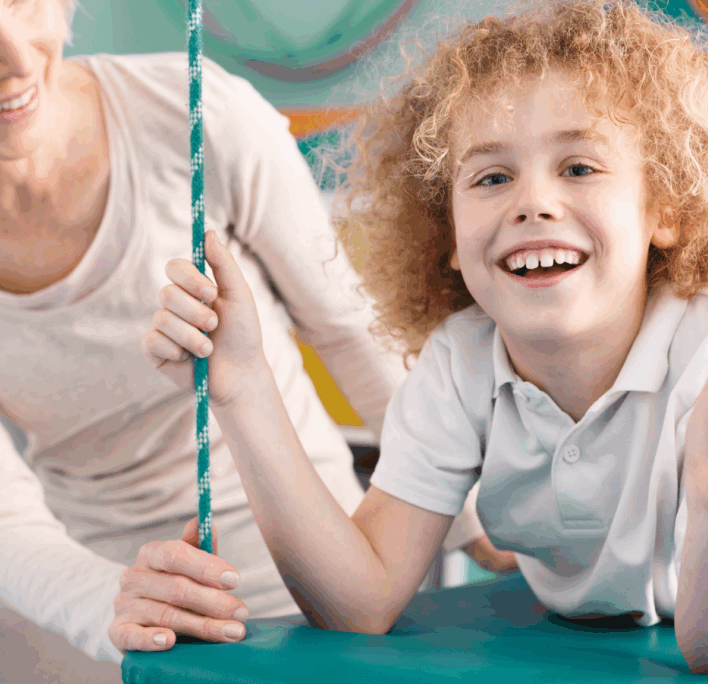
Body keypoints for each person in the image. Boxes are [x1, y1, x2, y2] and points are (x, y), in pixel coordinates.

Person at [143, 0, 708, 678]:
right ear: (448, 234)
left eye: (578, 167)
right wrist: (243, 387)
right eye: (491, 177)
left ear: (662, 209)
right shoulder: (462, 359)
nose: (531, 202)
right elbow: (359, 600)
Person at [0, 0, 511, 679]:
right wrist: (114, 606)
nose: (13, 55)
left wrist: (471, 519)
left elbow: (346, 331)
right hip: (118, 611)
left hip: (323, 579)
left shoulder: (195, 113)